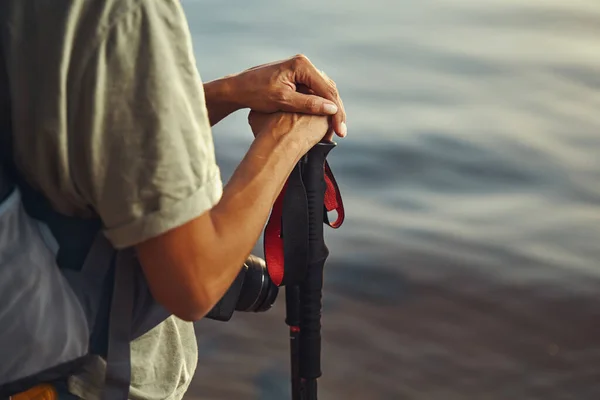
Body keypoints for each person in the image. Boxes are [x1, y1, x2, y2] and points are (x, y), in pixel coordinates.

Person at [0, 0, 347, 399]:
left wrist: (230, 92)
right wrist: (286, 137)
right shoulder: (124, 11)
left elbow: (76, 125)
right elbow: (194, 283)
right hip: (86, 381)